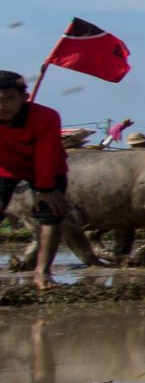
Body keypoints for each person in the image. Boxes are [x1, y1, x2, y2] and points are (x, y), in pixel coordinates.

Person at [0, 69, 72, 286]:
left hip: (47, 169)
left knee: (51, 214)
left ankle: (43, 273)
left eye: (9, 99)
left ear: (25, 98)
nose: (2, 106)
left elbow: (46, 154)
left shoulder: (46, 117)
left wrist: (45, 188)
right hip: (4, 167)